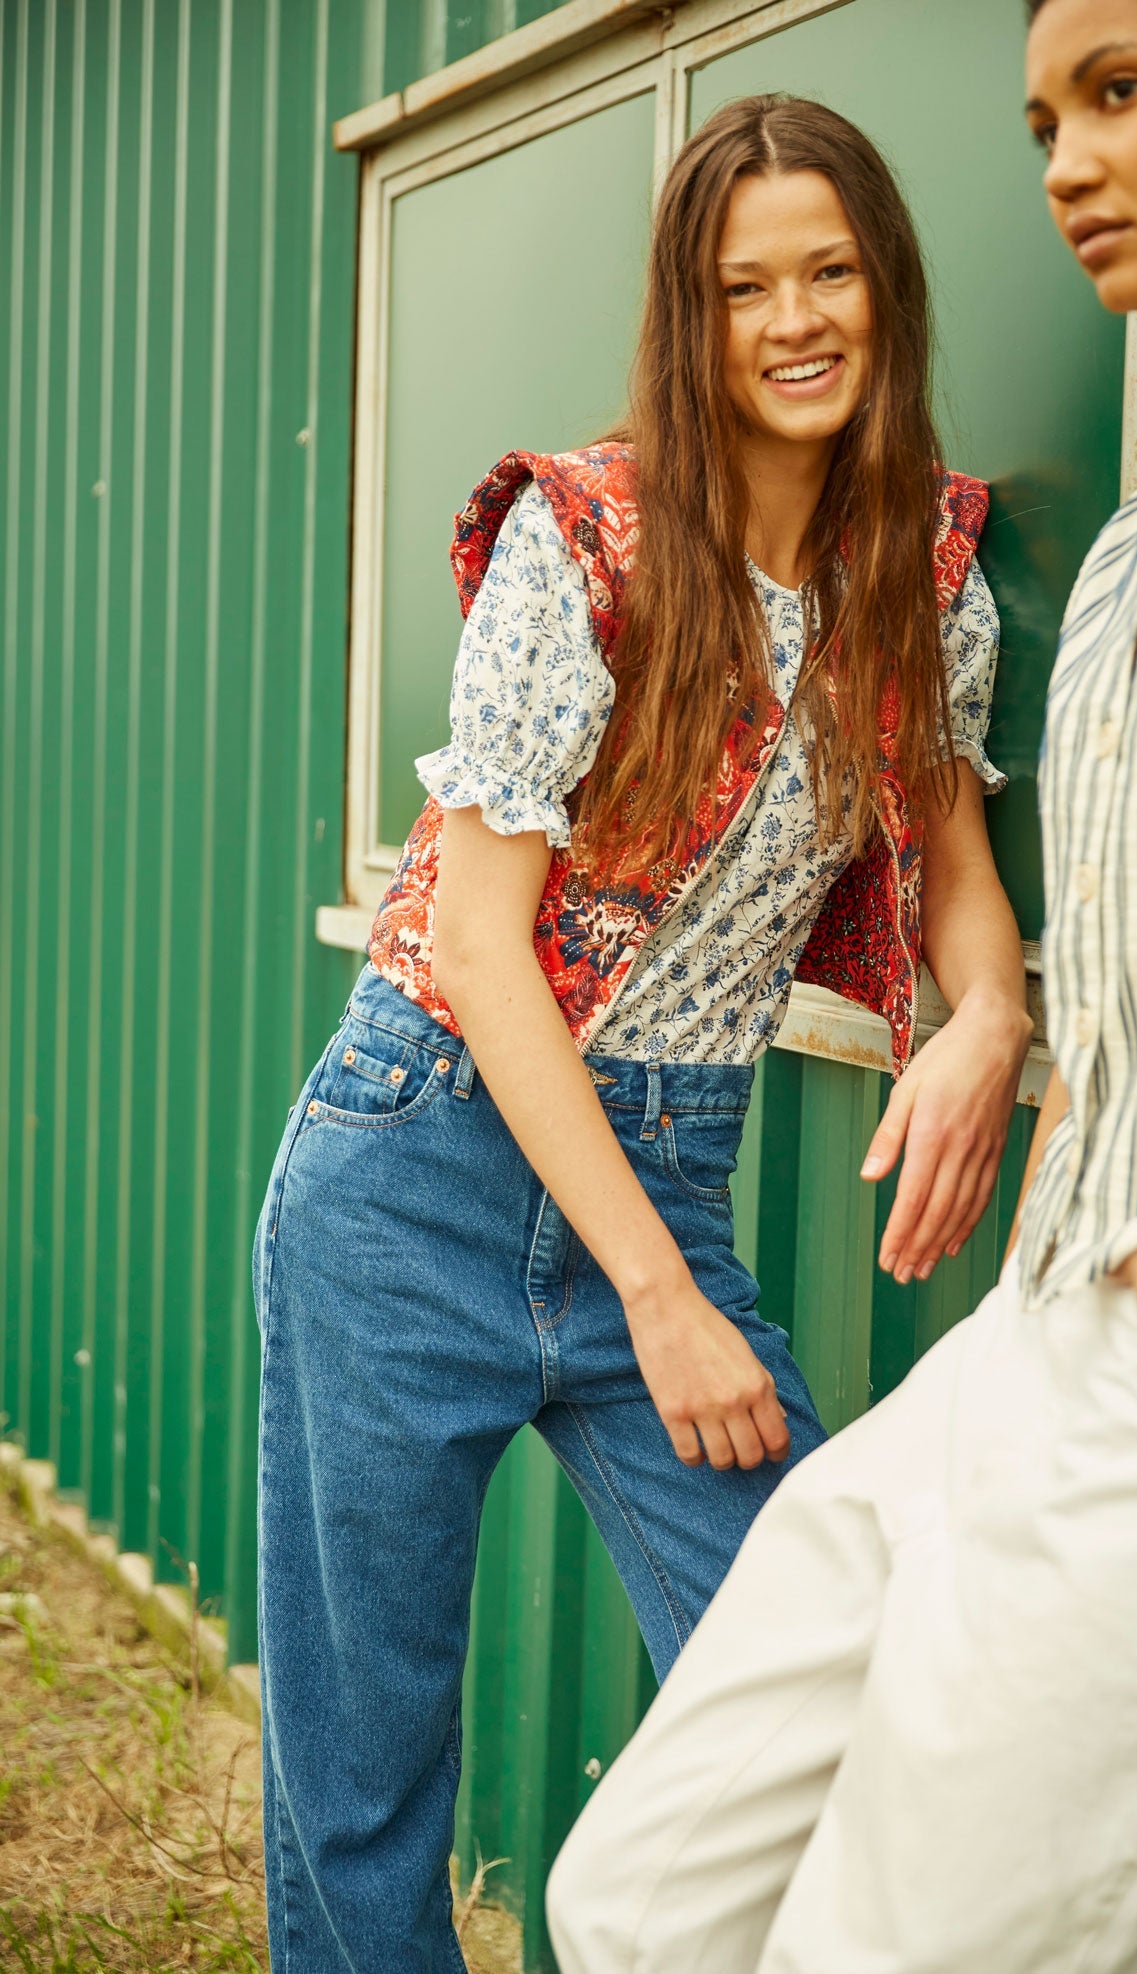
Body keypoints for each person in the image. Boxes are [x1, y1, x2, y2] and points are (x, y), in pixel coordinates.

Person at [545, 7, 1137, 1971]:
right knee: (631, 1900)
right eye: (1045, 114)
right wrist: (1009, 1044)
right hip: (1046, 1321)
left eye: (1121, 92)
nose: (1063, 159)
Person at [253, 94, 1029, 1973]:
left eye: (829, 270)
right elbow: (491, 954)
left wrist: (991, 1012)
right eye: (743, 284)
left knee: (817, 1668)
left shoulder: (922, 582)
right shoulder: (583, 538)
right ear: (689, 319)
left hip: (659, 1173)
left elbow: (953, 876)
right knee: (362, 1776)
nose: (792, 319)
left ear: (887, 287)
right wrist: (659, 1299)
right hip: (416, 1162)